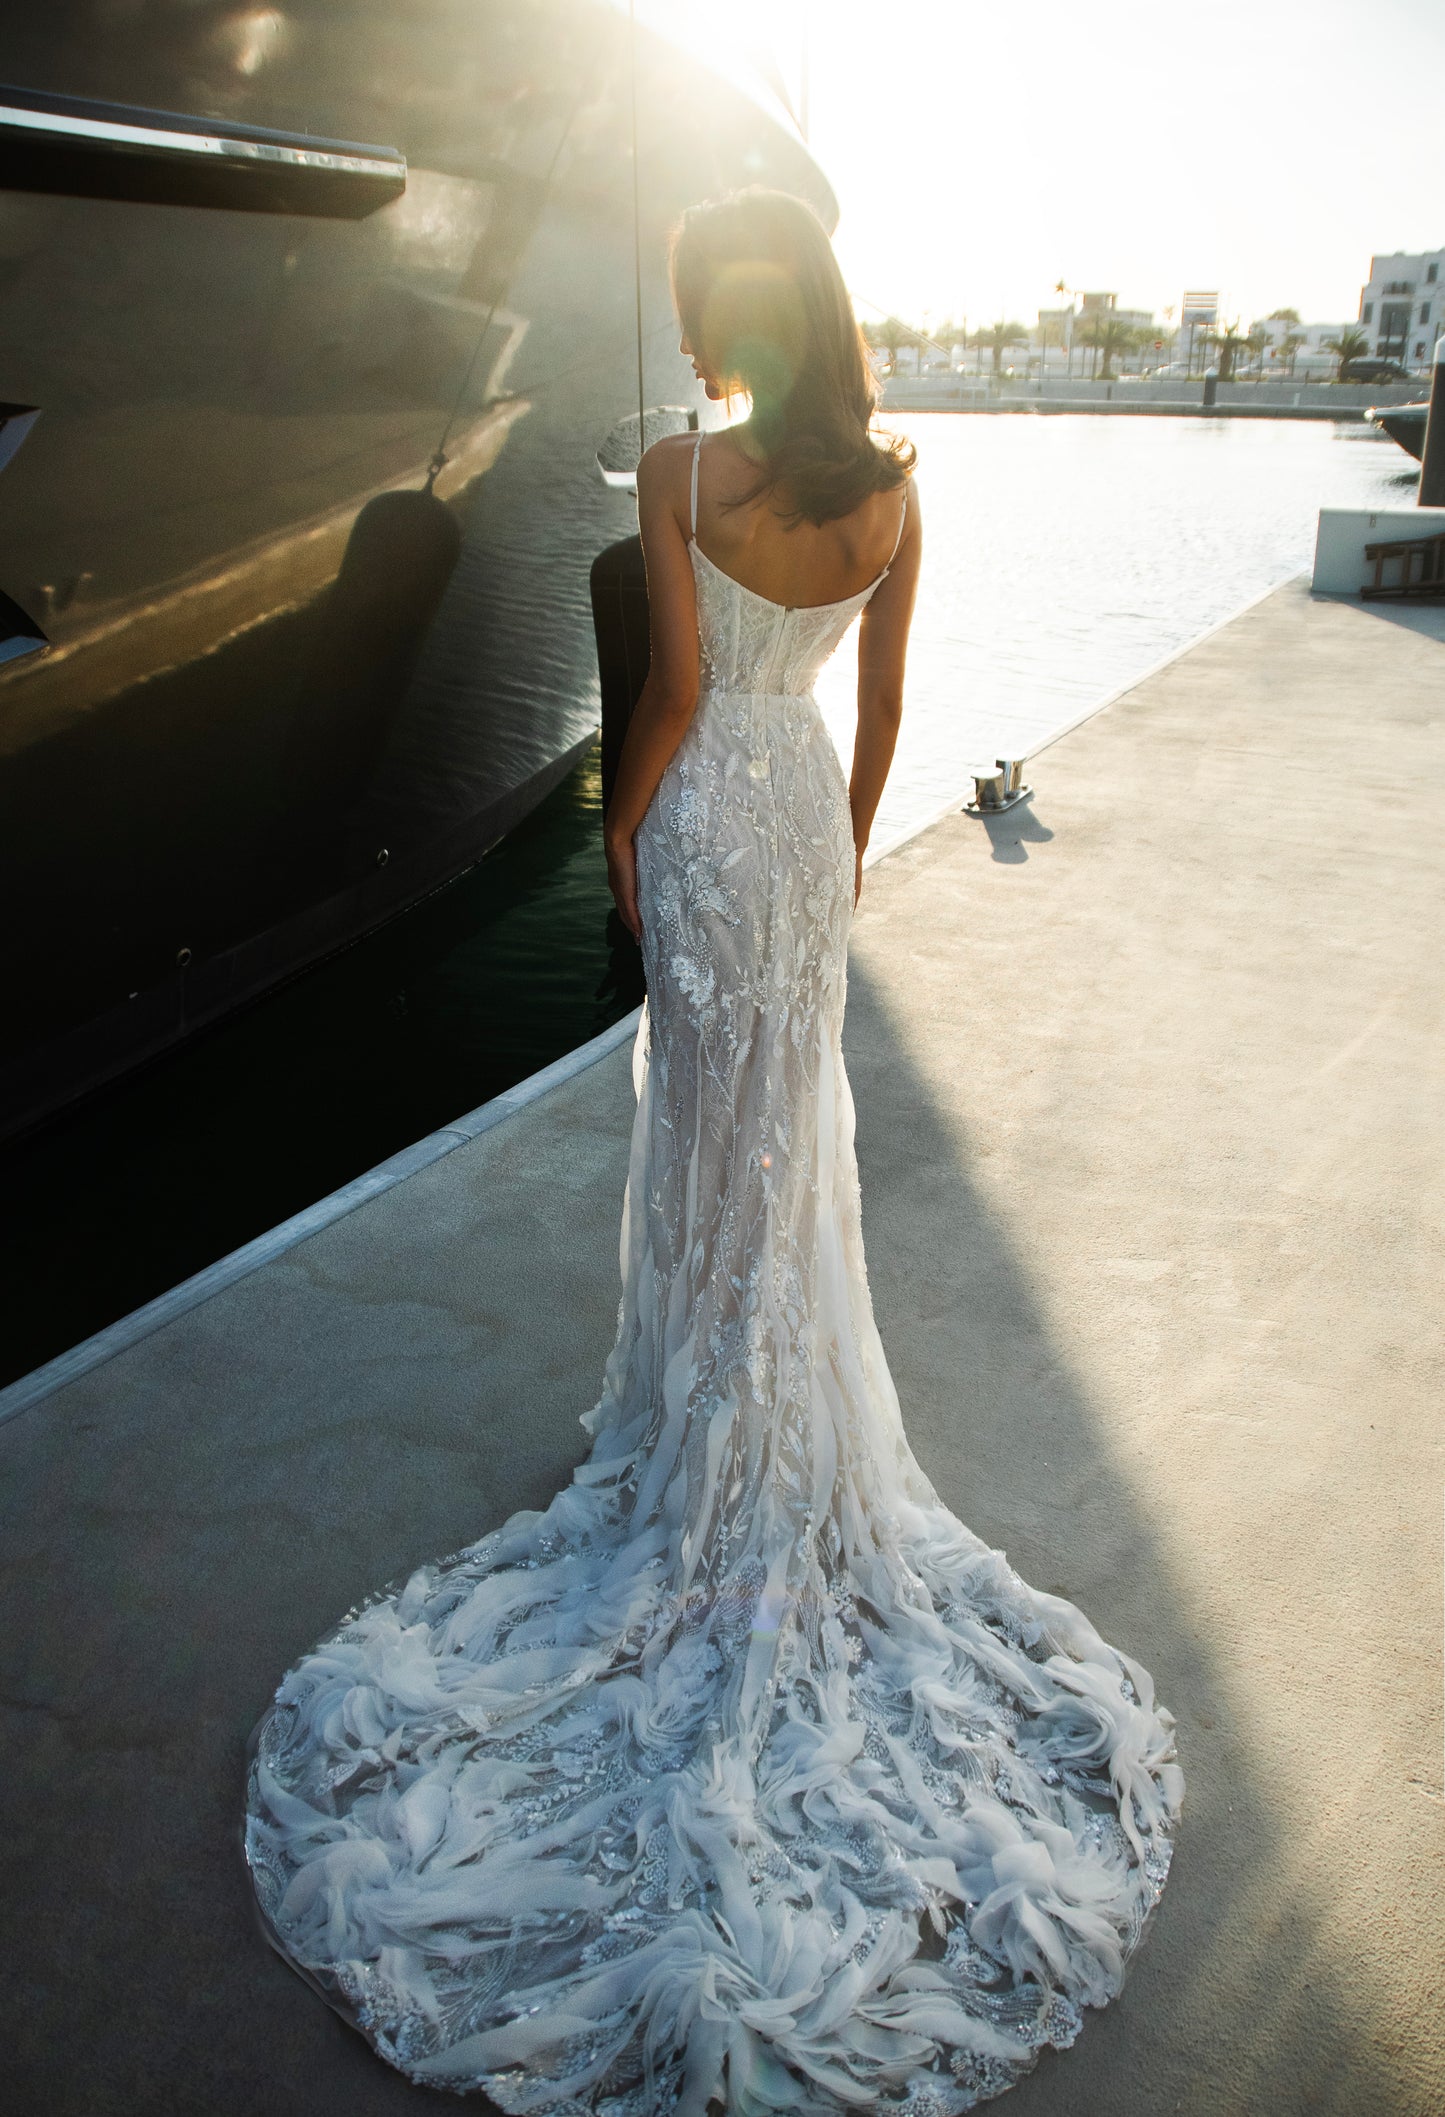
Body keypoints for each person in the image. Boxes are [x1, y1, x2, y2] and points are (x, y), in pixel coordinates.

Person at [244, 187, 1183, 2116]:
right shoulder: (897, 489)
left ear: (726, 312)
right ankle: (760, 1421)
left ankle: (700, 1433)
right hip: (804, 827)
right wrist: (844, 851)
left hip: (702, 821)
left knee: (704, 1139)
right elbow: (885, 708)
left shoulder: (683, 467)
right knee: (781, 1149)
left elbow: (668, 697)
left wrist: (618, 833)